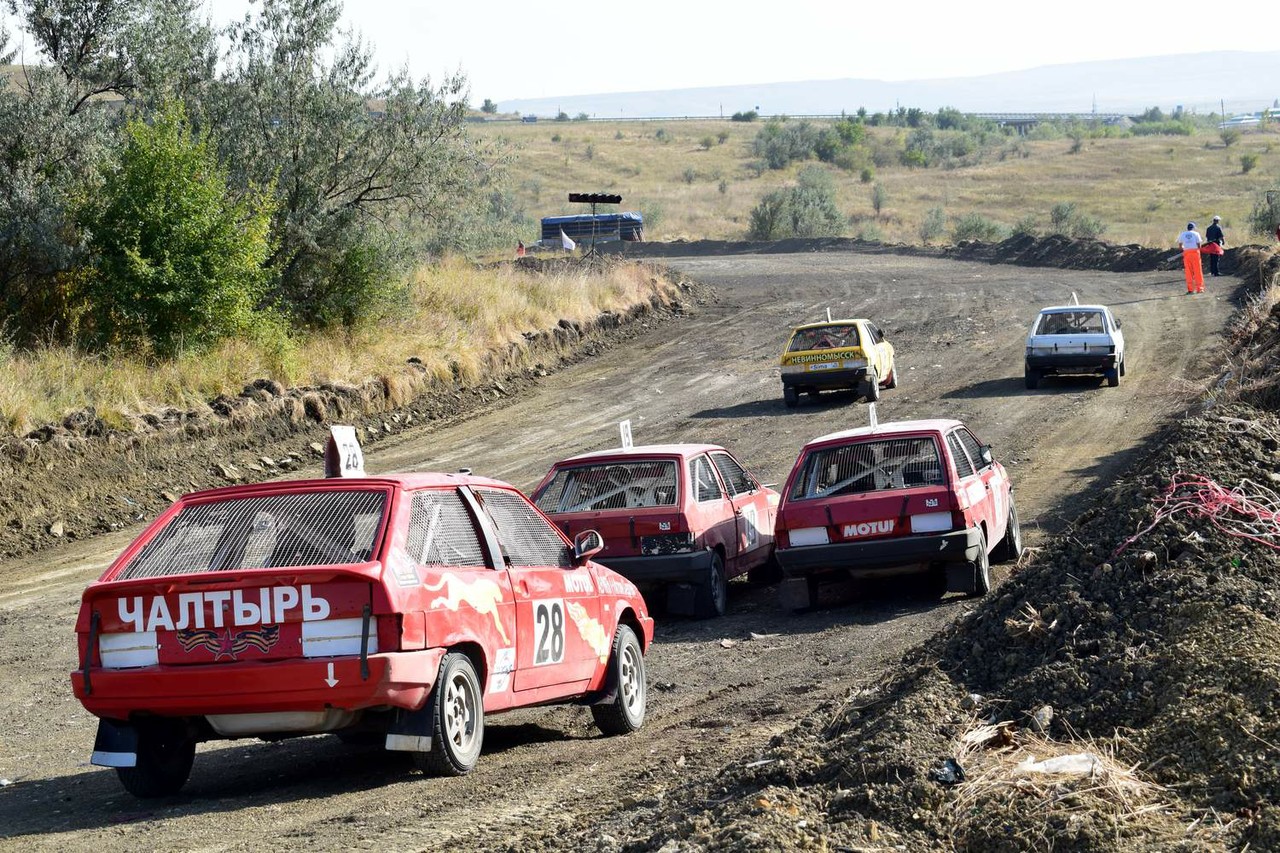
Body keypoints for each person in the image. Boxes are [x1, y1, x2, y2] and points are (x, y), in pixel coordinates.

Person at [1177, 222, 1204, 294]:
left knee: (1188, 272)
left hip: (1186, 254)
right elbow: (1199, 246)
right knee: (1198, 271)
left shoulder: (1182, 234)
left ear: (1187, 228)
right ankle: (1200, 289)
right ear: (1193, 228)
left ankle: (1190, 289)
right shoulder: (1196, 234)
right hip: (1195, 253)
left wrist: (1185, 248)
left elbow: (1180, 247)